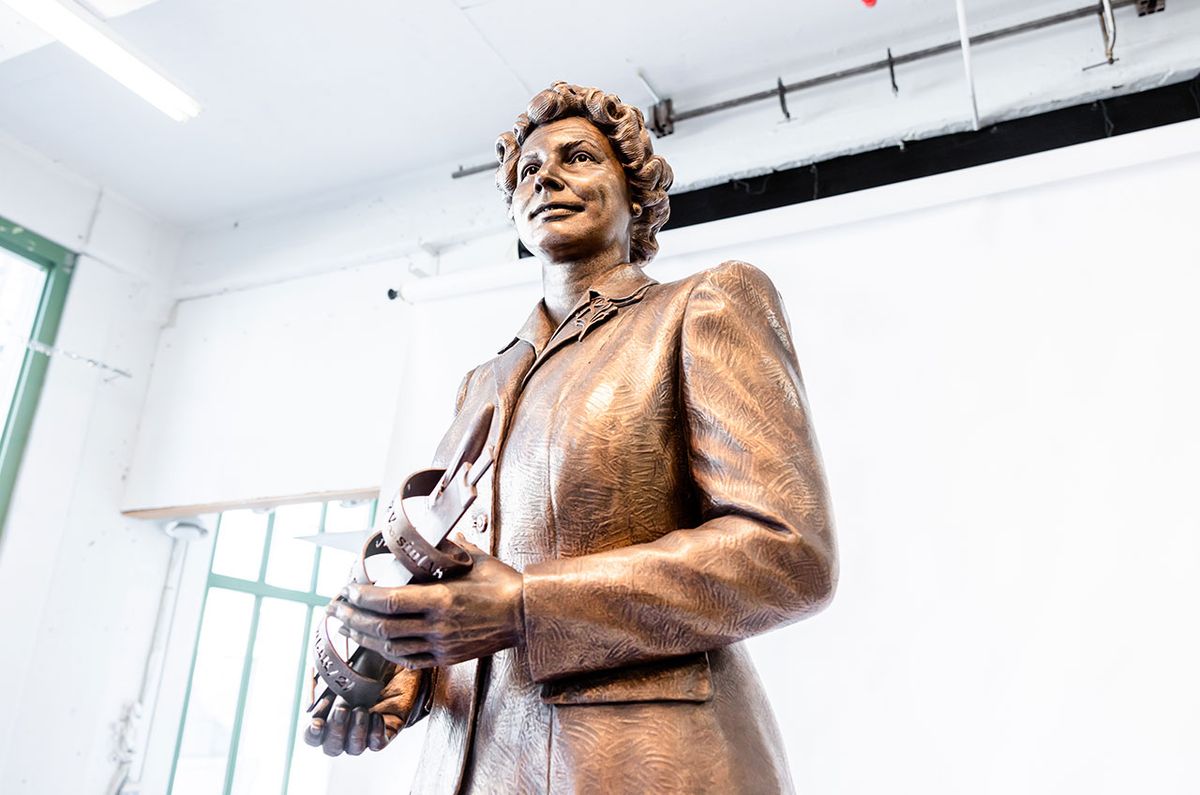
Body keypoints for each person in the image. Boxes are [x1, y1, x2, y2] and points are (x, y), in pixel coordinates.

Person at [305, 81, 837, 794]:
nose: (546, 175)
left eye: (579, 157)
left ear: (636, 196)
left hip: (644, 766)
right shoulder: (479, 383)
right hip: (475, 768)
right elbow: (460, 578)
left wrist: (529, 605)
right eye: (529, 169)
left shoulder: (701, 306)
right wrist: (411, 672)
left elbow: (788, 552)